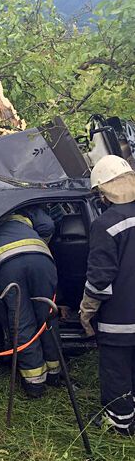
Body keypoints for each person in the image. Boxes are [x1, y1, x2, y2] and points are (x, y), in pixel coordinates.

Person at [80, 155, 135, 437]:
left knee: (116, 370)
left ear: (104, 191)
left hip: (120, 319)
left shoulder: (106, 224)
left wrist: (86, 311)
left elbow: (100, 280)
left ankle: (119, 423)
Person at [0, 206, 61, 398]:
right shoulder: (25, 213)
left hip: (9, 265)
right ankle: (55, 374)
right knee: (47, 317)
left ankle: (35, 383)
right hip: (41, 259)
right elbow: (47, 224)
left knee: (22, 321)